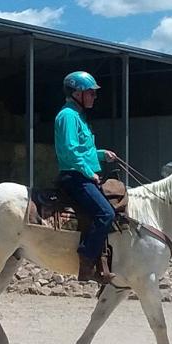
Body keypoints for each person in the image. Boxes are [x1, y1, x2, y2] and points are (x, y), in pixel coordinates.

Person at [54, 70, 119, 284]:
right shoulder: (68, 116)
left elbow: (82, 150)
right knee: (106, 213)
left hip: (82, 173)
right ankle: (87, 260)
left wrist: (101, 154)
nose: (94, 96)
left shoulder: (78, 116)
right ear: (77, 93)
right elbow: (70, 151)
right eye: (90, 93)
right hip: (75, 177)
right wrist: (88, 171)